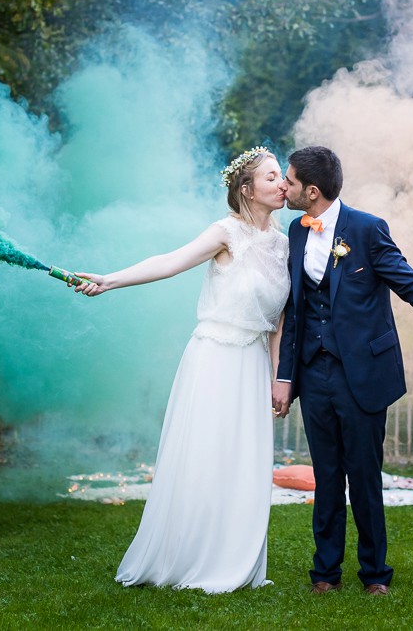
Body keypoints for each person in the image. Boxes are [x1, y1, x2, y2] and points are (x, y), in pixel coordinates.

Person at [271, 145, 413, 596]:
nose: (284, 185)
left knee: (363, 477)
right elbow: (295, 313)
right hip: (313, 375)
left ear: (312, 191)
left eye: (290, 180)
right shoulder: (295, 234)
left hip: (362, 376)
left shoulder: (368, 229)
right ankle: (324, 574)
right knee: (326, 477)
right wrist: (285, 376)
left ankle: (375, 575)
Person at [72, 147, 291, 593]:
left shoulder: (284, 243)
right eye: (271, 178)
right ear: (247, 189)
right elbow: (169, 263)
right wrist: (109, 280)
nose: (282, 184)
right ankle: (188, 558)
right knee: (205, 455)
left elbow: (279, 323)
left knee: (244, 462)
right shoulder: (226, 232)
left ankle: (235, 560)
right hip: (214, 357)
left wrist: (277, 377)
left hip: (251, 363)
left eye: (281, 177)